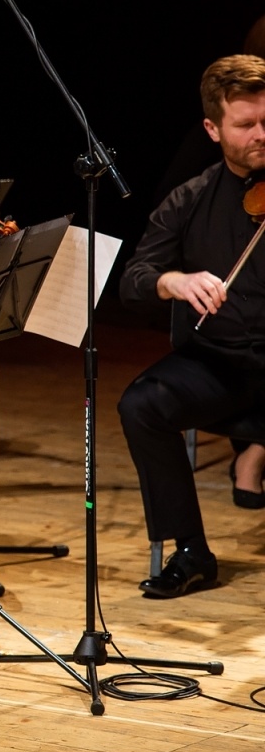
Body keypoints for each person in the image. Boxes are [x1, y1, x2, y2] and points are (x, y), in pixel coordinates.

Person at [117, 55, 265, 598]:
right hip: (221, 370)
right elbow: (134, 279)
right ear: (212, 129)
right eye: (246, 125)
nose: (261, 135)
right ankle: (191, 551)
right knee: (141, 405)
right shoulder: (190, 199)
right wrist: (173, 282)